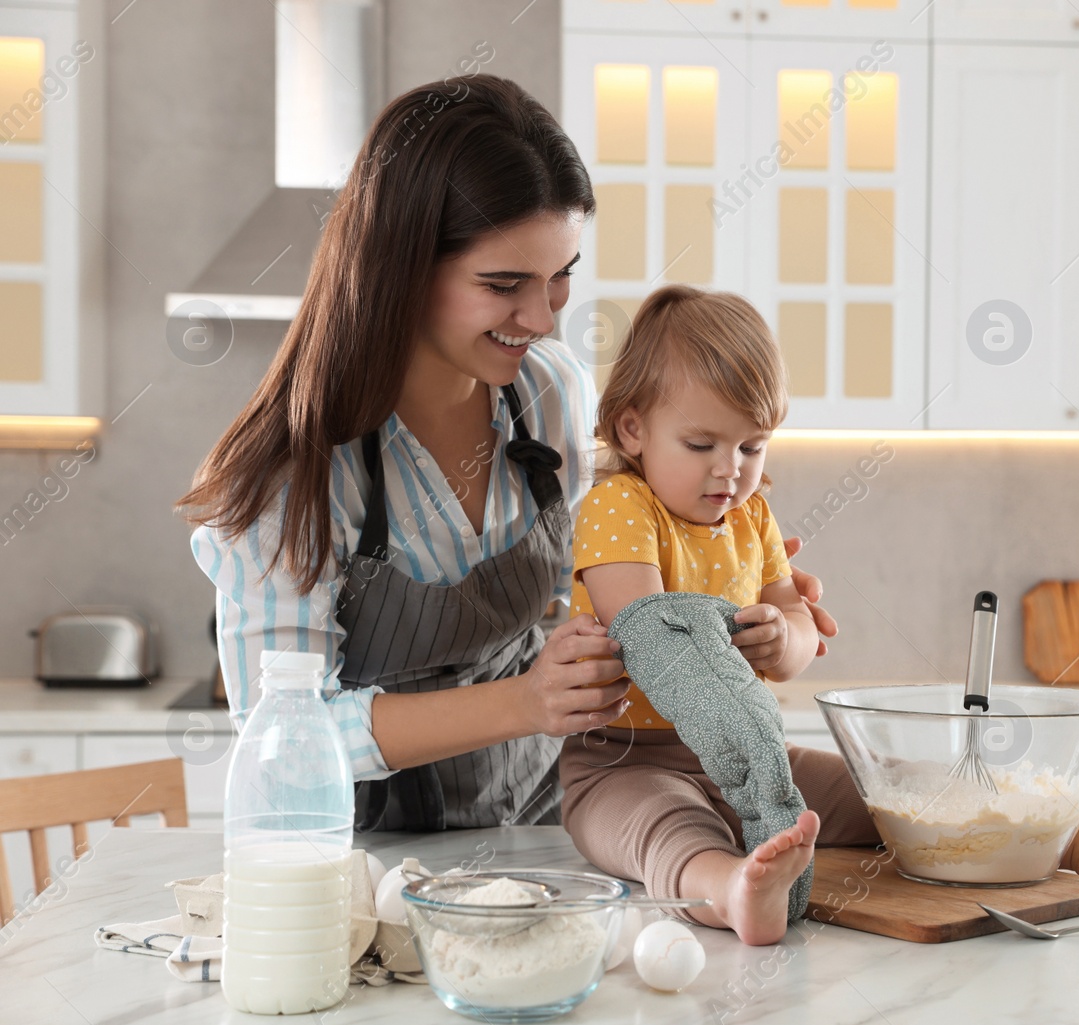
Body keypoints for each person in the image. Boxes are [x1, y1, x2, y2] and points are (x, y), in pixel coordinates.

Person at [179, 74, 836, 832]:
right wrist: (522, 702)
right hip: (363, 870)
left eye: (561, 277)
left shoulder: (548, 392)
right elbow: (284, 747)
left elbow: (599, 569)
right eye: (502, 284)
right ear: (402, 265)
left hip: (545, 837)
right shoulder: (292, 476)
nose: (541, 316)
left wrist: (724, 572)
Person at [558, 285, 1079, 946]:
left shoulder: (751, 517)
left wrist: (783, 640)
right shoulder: (619, 506)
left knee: (891, 791)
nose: (731, 469)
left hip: (755, 759)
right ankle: (732, 888)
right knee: (664, 826)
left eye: (752, 447)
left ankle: (1073, 837)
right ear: (633, 428)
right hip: (624, 762)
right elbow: (651, 635)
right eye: (701, 444)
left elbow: (800, 623)